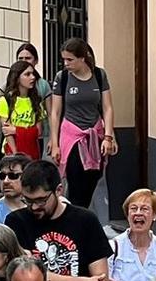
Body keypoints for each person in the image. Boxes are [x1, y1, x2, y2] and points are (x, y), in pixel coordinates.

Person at [7, 159, 111, 281]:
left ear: (59, 190)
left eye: (41, 200)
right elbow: (25, 278)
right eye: (28, 201)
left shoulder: (86, 220)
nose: (35, 207)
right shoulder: (16, 221)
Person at [47, 38, 117, 209]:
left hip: (95, 135)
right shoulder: (62, 78)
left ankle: (82, 213)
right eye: (64, 59)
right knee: (75, 180)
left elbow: (107, 108)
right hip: (72, 136)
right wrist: (55, 143)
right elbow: (55, 112)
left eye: (70, 60)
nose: (66, 63)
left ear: (82, 58)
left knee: (94, 178)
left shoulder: (99, 76)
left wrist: (108, 137)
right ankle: (75, 214)